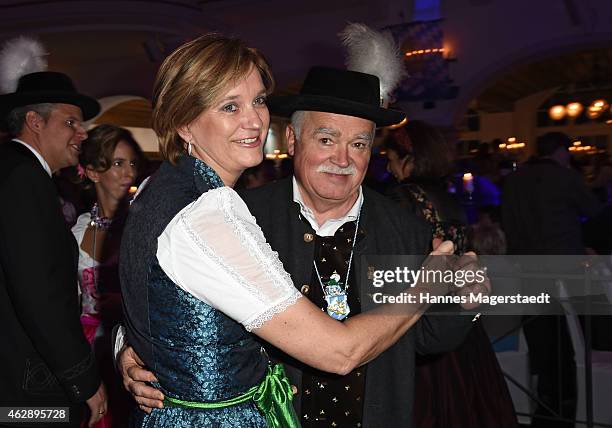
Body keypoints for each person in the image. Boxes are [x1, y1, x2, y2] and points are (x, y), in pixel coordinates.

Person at [119, 61, 488, 427]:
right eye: (326, 139)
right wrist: (132, 348)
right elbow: (162, 289)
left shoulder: (405, 229)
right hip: (277, 416)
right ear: (293, 140)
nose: (342, 159)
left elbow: (421, 336)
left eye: (358, 144)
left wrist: (464, 304)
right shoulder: (241, 215)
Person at [383, 122, 517, 427]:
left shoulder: (401, 198)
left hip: (423, 320)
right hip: (457, 316)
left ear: (409, 158)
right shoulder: (449, 196)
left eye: (391, 159)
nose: (390, 169)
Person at [0, 70, 106, 427]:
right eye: (71, 121)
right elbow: (39, 293)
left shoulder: (14, 170)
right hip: (24, 381)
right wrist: (83, 379)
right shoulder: (23, 177)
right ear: (34, 121)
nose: (82, 133)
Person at [502, 131, 601, 427]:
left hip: (528, 265)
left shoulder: (515, 180)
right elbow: (593, 210)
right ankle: (570, 399)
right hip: (564, 265)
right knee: (575, 331)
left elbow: (508, 220)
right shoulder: (565, 177)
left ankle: (547, 400)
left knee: (542, 334)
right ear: (561, 151)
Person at [72, 124, 143, 427]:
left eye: (132, 163)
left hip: (131, 343)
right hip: (86, 345)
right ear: (92, 172)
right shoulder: (77, 230)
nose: (129, 173)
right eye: (117, 163)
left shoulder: (142, 225)